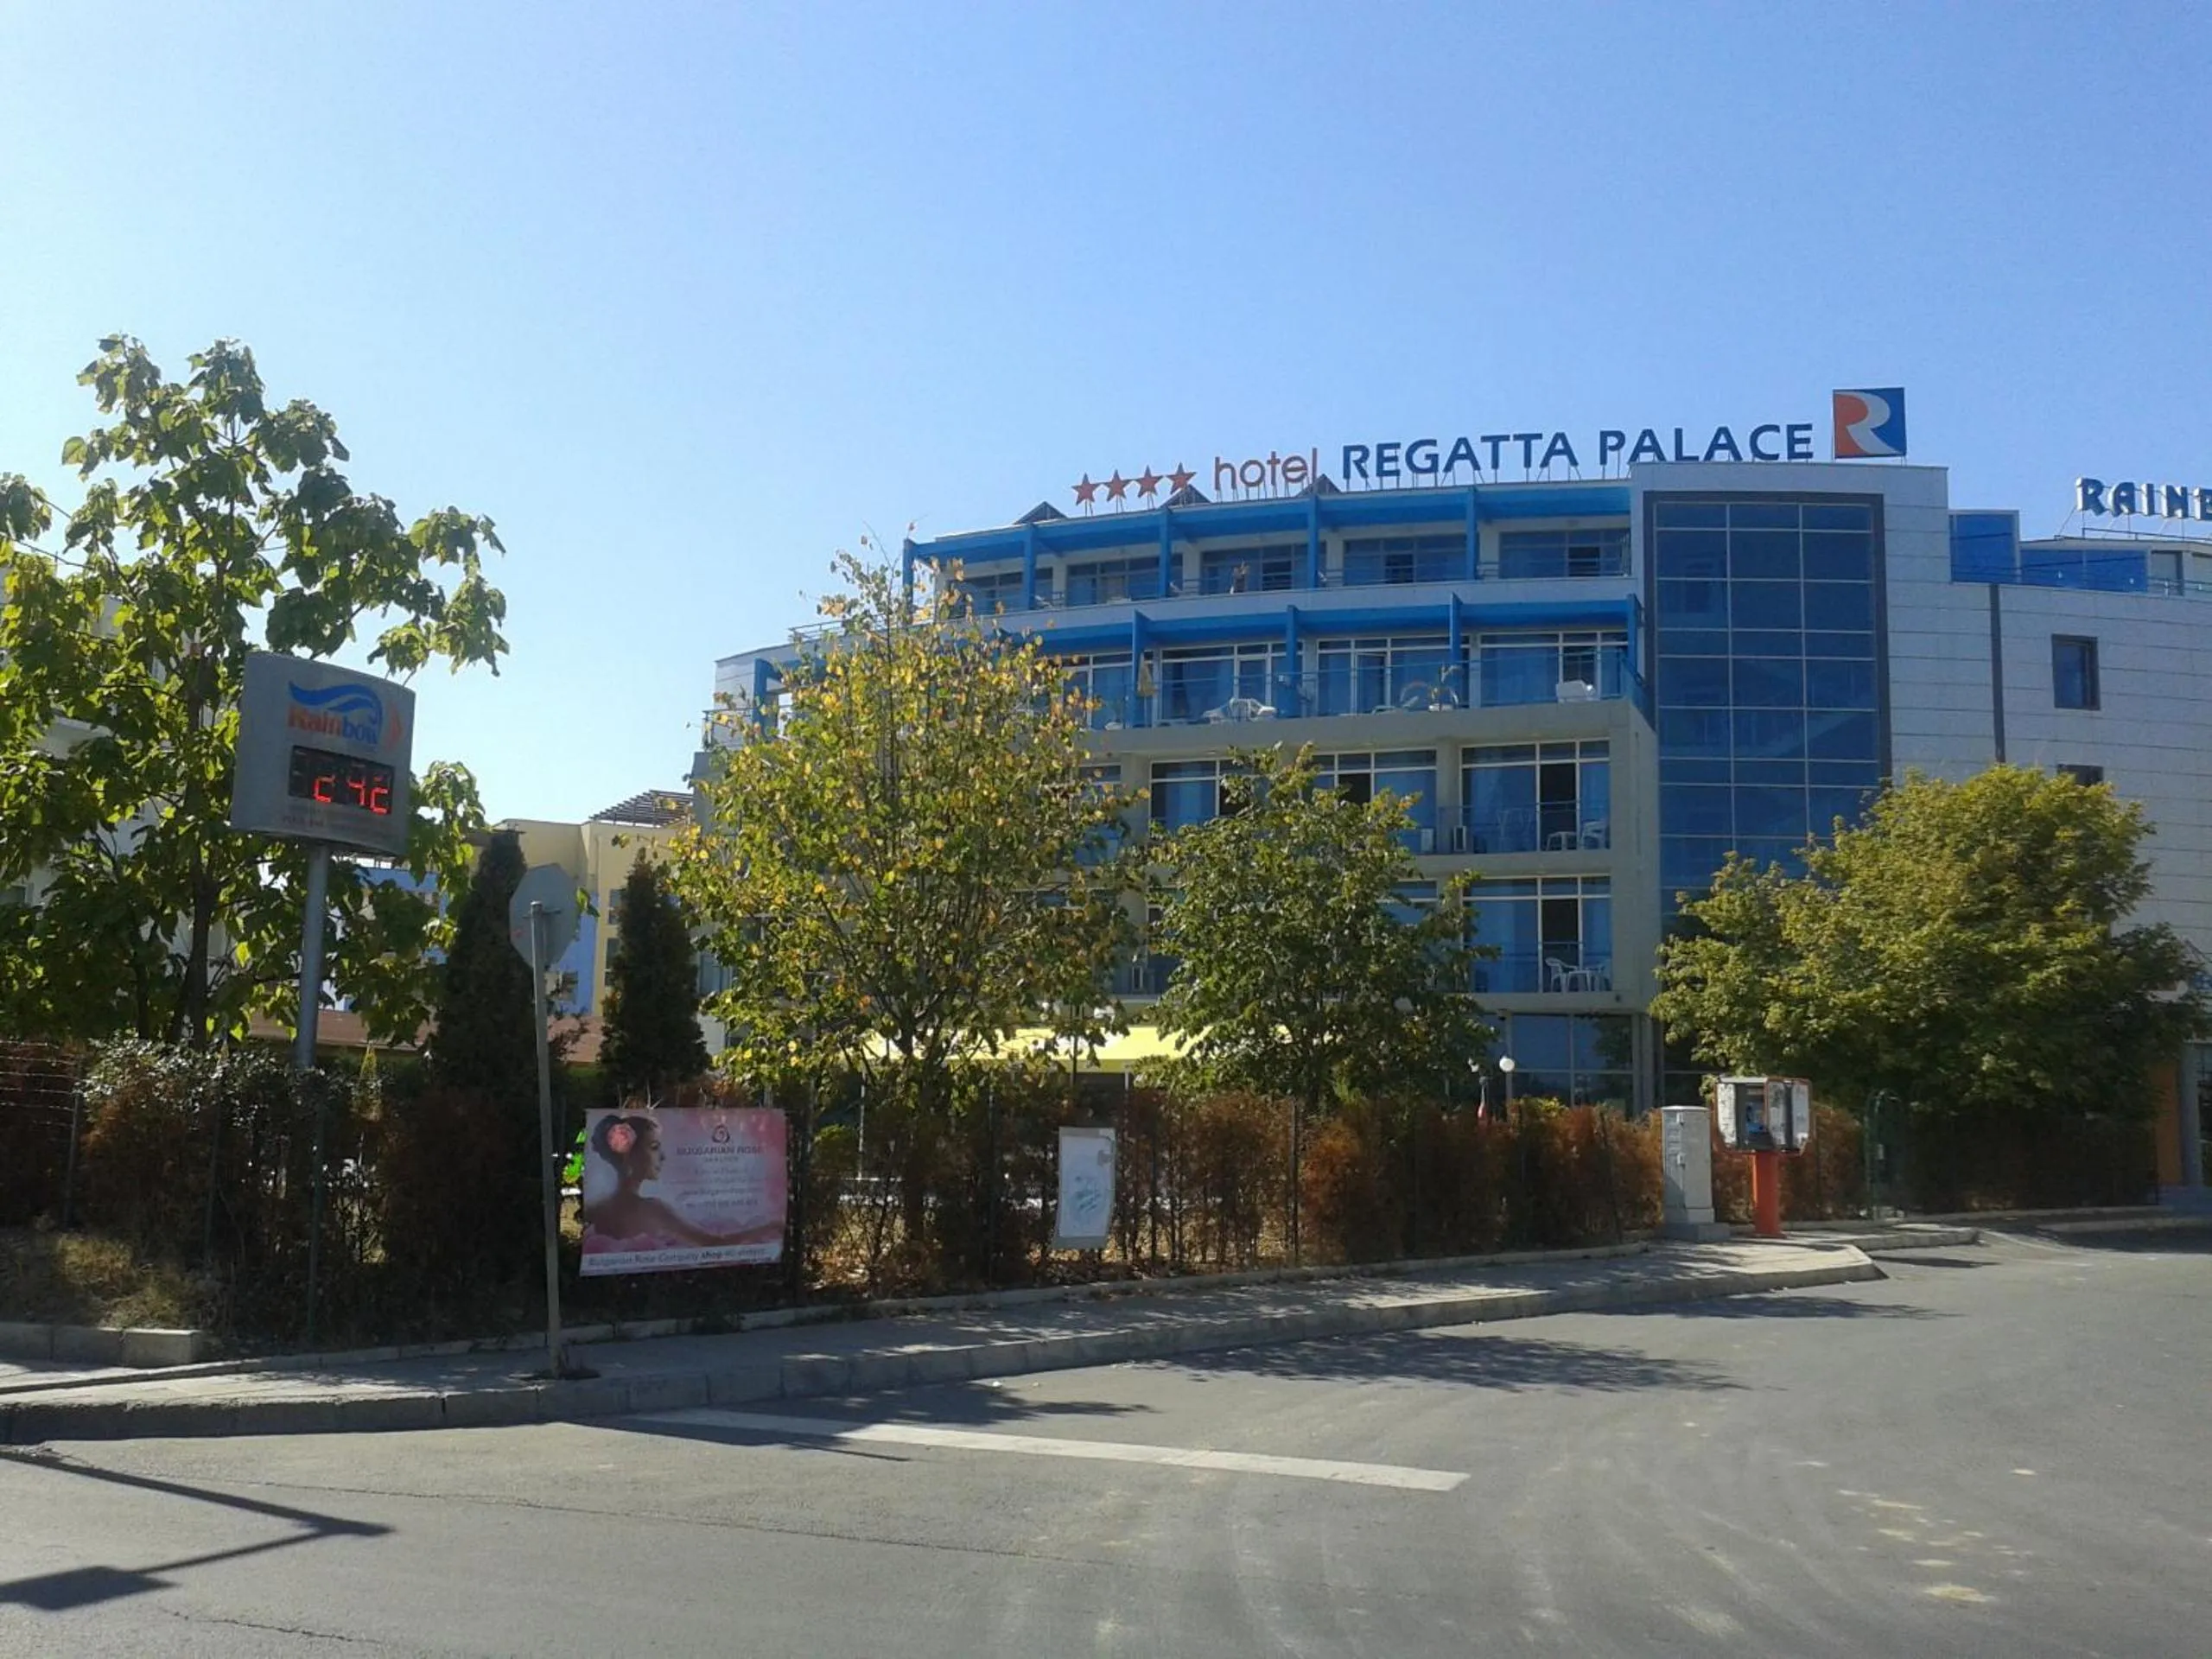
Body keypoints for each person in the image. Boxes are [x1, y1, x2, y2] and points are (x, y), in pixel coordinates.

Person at [579, 1114, 780, 1249]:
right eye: (654, 1147)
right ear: (629, 1155)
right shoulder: (653, 1209)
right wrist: (770, 1227)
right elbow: (713, 1243)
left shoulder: (594, 1207)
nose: (663, 1157)